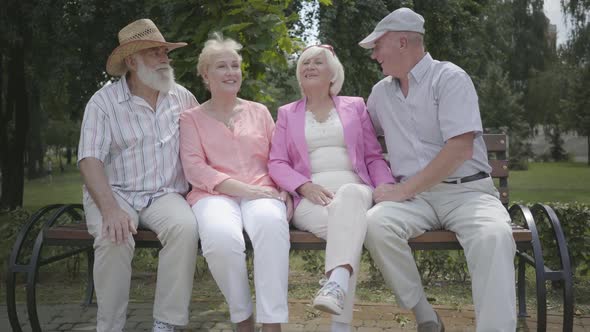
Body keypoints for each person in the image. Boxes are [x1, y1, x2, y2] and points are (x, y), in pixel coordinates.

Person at [359, 7, 517, 332]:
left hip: (468, 193)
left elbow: (459, 148)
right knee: (376, 223)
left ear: (403, 42)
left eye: (378, 46)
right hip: (419, 201)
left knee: (494, 236)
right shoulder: (380, 94)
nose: (374, 55)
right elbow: (356, 134)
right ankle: (426, 316)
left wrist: (401, 190)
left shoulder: (450, 78)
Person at [77, 19, 199, 332]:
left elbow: (204, 141)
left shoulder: (182, 98)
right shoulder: (102, 103)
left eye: (165, 53)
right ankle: (110, 326)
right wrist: (109, 209)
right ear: (132, 61)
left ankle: (166, 323)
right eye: (155, 53)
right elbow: (89, 159)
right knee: (113, 236)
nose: (164, 59)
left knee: (184, 227)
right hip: (114, 191)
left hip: (164, 193)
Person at [268, 44, 394, 332]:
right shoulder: (287, 113)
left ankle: (336, 285)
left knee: (349, 199)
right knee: (347, 230)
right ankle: (339, 310)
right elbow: (276, 162)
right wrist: (304, 186)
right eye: (304, 63)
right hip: (312, 201)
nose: (309, 66)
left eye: (317, 62)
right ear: (299, 75)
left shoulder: (355, 106)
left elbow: (373, 157)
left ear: (333, 73)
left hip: (357, 192)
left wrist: (385, 187)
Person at [179, 33, 290, 332]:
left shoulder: (259, 112)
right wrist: (244, 190)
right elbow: (194, 168)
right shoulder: (190, 118)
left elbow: (279, 157)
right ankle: (243, 318)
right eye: (222, 66)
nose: (231, 72)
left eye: (235, 66)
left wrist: (285, 190)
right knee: (220, 238)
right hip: (213, 195)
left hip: (262, 190)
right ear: (206, 75)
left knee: (270, 226)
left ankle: (272, 322)